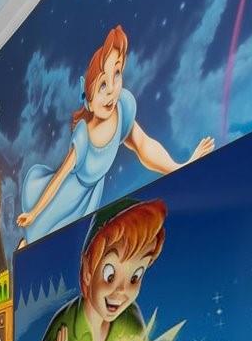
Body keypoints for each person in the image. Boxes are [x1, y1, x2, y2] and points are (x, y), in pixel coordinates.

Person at [15, 26, 212, 248]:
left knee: (72, 245)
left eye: (116, 74)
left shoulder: (123, 109)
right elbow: (60, 177)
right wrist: (34, 213)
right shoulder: (84, 136)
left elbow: (143, 145)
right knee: (40, 234)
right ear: (89, 99)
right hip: (65, 196)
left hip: (88, 200)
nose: (111, 90)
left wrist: (179, 167)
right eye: (102, 85)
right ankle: (25, 245)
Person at [28, 198, 166, 341]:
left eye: (135, 277)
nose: (121, 291)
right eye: (110, 275)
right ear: (88, 271)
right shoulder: (68, 322)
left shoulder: (128, 320)